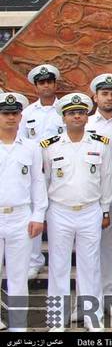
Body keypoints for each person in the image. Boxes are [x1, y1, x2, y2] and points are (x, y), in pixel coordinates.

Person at [43, 92, 112, 332]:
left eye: (81, 112)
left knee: (90, 265)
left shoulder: (99, 144)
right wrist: (42, 213)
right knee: (58, 265)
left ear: (86, 116)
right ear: (64, 117)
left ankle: (92, 317)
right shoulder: (50, 146)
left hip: (90, 210)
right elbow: (44, 183)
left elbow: (105, 180)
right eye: (72, 112)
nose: (77, 116)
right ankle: (57, 319)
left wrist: (105, 210)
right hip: (59, 211)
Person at [0, 92, 47, 332]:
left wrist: (38, 215)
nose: (10, 118)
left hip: (20, 216)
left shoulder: (31, 147)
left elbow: (38, 183)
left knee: (18, 276)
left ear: (21, 117)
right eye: (5, 114)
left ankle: (17, 326)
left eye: (14, 114)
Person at [87, 74, 112, 315]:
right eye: (105, 94)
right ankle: (87, 300)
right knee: (86, 251)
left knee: (109, 248)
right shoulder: (86, 123)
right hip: (88, 195)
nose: (109, 98)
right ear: (96, 97)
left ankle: (108, 294)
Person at [19, 64, 63, 280]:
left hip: (60, 171)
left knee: (57, 216)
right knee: (34, 213)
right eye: (41, 82)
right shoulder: (26, 113)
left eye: (49, 82)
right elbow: (21, 142)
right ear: (36, 86)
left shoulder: (64, 110)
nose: (46, 86)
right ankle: (34, 260)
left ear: (55, 84)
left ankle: (57, 260)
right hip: (35, 172)